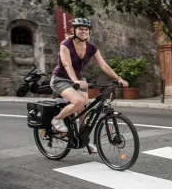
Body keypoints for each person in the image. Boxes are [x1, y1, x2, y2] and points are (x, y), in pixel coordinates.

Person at [50, 18, 129, 152]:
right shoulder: (66, 44)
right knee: (79, 102)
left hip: (80, 80)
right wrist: (74, 80)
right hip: (61, 79)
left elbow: (103, 65)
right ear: (74, 30)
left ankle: (85, 141)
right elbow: (67, 64)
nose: (84, 31)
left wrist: (119, 78)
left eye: (86, 29)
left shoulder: (91, 47)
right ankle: (57, 119)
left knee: (84, 112)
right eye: (80, 28)